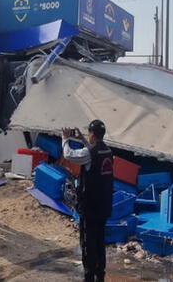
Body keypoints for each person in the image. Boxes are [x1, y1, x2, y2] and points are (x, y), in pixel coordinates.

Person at [62, 120, 114, 282]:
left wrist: (65, 139)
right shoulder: (108, 151)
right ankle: (100, 274)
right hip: (104, 205)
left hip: (90, 205)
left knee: (88, 242)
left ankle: (89, 276)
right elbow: (91, 152)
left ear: (92, 134)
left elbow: (69, 155)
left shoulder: (89, 153)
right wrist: (82, 139)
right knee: (99, 240)